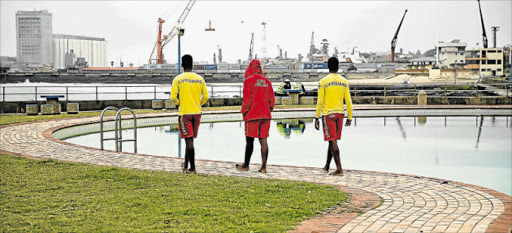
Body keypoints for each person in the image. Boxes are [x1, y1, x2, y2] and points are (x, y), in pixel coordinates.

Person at [170, 54, 209, 174]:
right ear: (192, 65)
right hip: (197, 112)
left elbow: (172, 97)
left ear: (182, 65)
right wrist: (199, 104)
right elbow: (206, 97)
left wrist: (178, 103)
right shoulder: (200, 79)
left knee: (188, 141)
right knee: (190, 139)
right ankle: (186, 164)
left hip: (185, 112)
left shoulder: (178, 79)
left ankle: (192, 168)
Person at [314, 57, 353, 176]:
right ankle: (327, 166)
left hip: (328, 114)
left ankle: (339, 168)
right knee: (332, 140)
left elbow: (320, 101)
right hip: (340, 114)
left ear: (328, 66)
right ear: (338, 67)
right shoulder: (344, 81)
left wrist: (316, 117)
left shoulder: (323, 81)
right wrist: (350, 116)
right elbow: (348, 100)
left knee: (332, 141)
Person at [236, 59, 275, 173]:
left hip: (252, 115)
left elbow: (247, 100)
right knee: (263, 140)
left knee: (249, 141)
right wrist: (268, 109)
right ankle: (263, 167)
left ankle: (246, 165)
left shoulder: (248, 81)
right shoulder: (267, 82)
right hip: (265, 115)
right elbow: (272, 101)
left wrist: (244, 112)